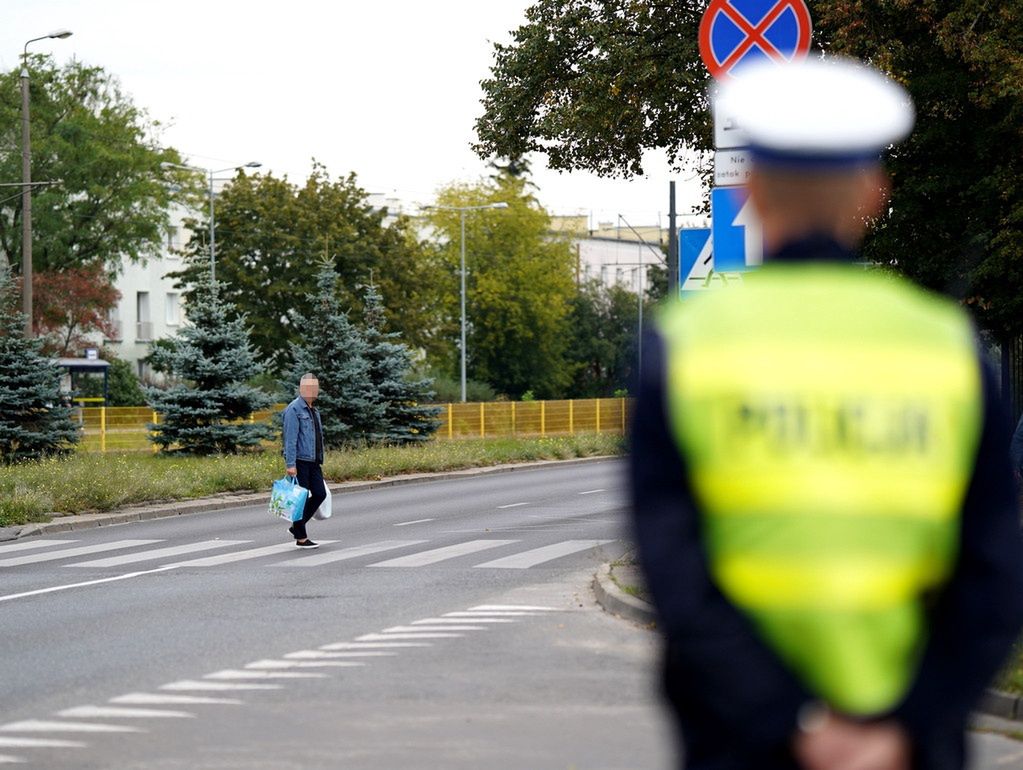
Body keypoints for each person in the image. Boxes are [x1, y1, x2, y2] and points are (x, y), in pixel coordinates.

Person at [630, 57, 1023, 770]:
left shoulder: (685, 345)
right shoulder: (945, 346)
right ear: (872, 194)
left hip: (740, 735)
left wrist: (792, 722)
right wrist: (906, 725)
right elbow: (991, 574)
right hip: (907, 739)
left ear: (751, 190)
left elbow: (673, 569)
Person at [281, 373, 327, 548]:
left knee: (320, 494)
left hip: (313, 460)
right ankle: (301, 537)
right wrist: (290, 464)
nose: (313, 391)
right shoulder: (294, 410)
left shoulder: (313, 410)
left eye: (315, 387)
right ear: (301, 388)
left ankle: (296, 527)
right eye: (309, 387)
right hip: (300, 460)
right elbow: (290, 439)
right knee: (300, 499)